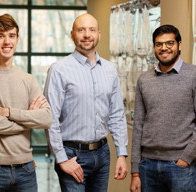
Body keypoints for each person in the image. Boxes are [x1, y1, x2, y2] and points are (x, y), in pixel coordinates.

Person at [44, 13, 128, 192]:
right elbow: (50, 119)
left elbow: (116, 115)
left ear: (99, 34)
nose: (87, 35)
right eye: (81, 30)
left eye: (92, 30)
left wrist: (121, 153)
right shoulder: (59, 70)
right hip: (72, 155)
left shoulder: (110, 70)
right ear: (72, 34)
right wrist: (62, 159)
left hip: (102, 153)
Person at [0, 14, 52, 192]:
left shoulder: (28, 80)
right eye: (1, 36)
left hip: (27, 169)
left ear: (17, 39)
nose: (7, 41)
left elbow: (46, 119)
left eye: (11, 36)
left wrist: (8, 112)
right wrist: (29, 121)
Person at [130, 24, 196, 192]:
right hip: (147, 166)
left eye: (169, 43)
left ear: (179, 45)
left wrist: (186, 158)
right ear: (154, 47)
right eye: (159, 44)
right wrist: (135, 171)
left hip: (180, 167)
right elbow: (138, 124)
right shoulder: (144, 80)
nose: (164, 48)